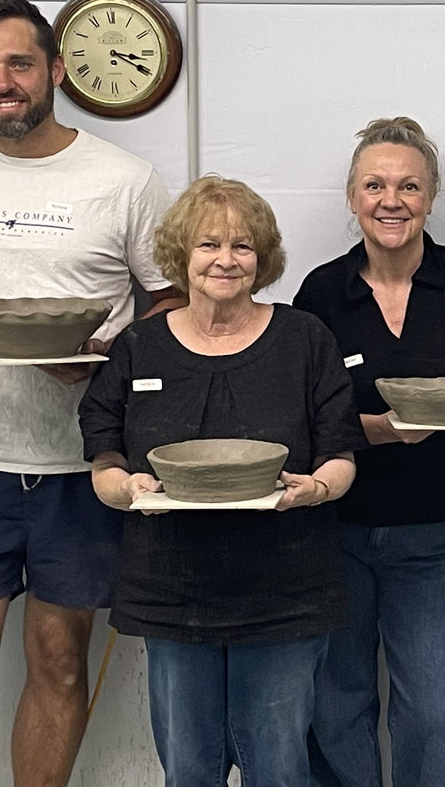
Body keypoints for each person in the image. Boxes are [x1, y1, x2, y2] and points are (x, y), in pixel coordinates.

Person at [0, 0, 180, 787]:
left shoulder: (124, 180)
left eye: (19, 63)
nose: (3, 81)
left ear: (55, 70)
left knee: (59, 667)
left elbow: (170, 301)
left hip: (82, 468)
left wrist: (105, 355)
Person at [78, 176, 363, 787]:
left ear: (263, 260)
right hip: (171, 589)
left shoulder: (304, 339)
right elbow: (103, 460)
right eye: (209, 245)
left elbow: (341, 456)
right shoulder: (139, 346)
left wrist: (314, 488)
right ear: (182, 254)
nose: (225, 261)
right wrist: (128, 489)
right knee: (189, 768)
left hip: (286, 589)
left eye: (243, 247)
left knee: (279, 767)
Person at [294, 117, 445, 787]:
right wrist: (375, 430)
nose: (390, 200)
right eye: (374, 184)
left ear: (430, 198)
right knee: (336, 707)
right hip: (334, 530)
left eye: (407, 186)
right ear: (351, 196)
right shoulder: (320, 292)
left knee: (432, 713)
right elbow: (306, 421)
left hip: (435, 534)